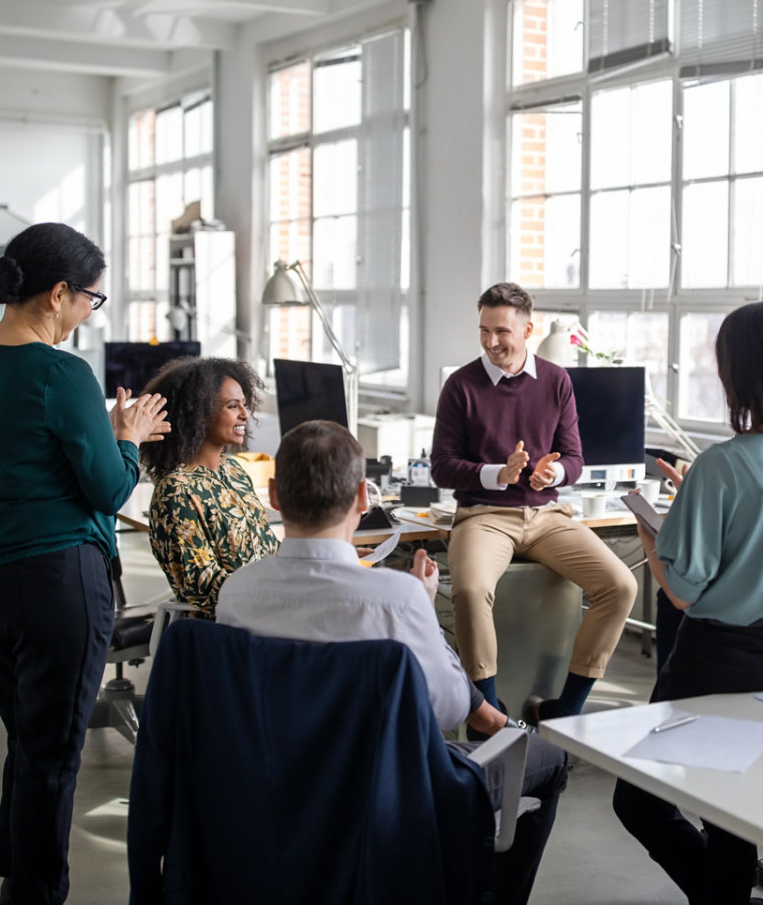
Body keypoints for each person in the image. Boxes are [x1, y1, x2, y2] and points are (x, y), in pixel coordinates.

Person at [216, 420, 568, 905]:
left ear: (274, 495)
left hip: (274, 788)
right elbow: (445, 713)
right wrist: (421, 608)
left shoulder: (235, 593)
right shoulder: (395, 599)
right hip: (387, 792)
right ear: (364, 497)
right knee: (552, 761)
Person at [0, 222, 168, 905]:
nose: (86, 316)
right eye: (89, 302)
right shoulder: (60, 371)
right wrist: (126, 438)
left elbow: (11, 460)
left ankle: (17, 873)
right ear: (58, 293)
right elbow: (105, 489)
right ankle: (36, 894)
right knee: (53, 753)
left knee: (28, 737)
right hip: (53, 584)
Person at [612, 296, 763, 905]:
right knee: (734, 812)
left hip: (715, 662)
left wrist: (655, 526)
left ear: (740, 373)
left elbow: (683, 590)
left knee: (640, 800)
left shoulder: (723, 465)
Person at [431, 282, 637, 723]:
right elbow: (442, 468)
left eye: (502, 331)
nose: (491, 342)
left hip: (547, 516)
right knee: (469, 591)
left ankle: (566, 710)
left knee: (621, 586)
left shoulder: (556, 381)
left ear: (528, 328)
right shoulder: (460, 386)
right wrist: (497, 474)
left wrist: (553, 473)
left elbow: (576, 459)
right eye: (484, 330)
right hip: (484, 516)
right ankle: (487, 712)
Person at [138, 357, 278, 617]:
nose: (245, 415)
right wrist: (284, 591)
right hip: (226, 627)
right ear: (198, 414)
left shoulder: (233, 470)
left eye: (244, 405)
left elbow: (269, 551)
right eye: (232, 406)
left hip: (268, 610)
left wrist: (329, 559)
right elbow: (205, 589)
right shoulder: (177, 492)